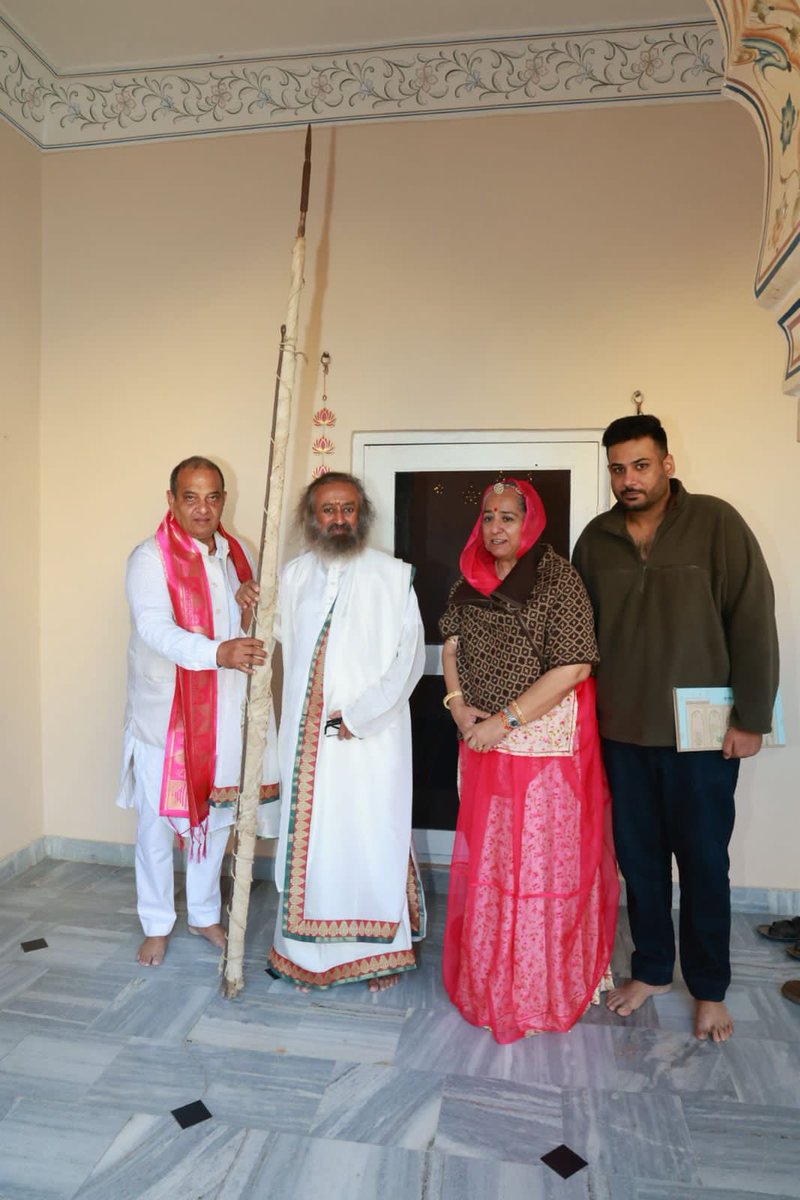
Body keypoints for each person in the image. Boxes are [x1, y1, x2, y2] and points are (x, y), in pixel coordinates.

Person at [572, 414, 779, 1043]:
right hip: (621, 731)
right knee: (639, 862)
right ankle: (654, 971)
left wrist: (752, 718)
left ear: (667, 463)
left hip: (704, 735)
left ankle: (710, 988)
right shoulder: (596, 539)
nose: (628, 479)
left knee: (704, 863)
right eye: (618, 469)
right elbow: (577, 638)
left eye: (641, 465)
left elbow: (752, 619)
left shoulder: (717, 523)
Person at [439, 478, 619, 1043]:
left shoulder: (557, 578)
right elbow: (451, 646)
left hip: (544, 751)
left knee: (540, 865)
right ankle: (492, 977)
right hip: (484, 744)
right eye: (489, 516)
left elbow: (575, 666)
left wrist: (504, 721)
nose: (496, 528)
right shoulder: (468, 577)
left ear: (530, 522)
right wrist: (458, 705)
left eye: (508, 517)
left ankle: (539, 987)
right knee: (493, 863)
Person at [117, 456, 279, 967]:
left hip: (225, 712)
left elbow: (247, 628)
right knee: (157, 825)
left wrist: (249, 606)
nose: (202, 508)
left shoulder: (238, 553)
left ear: (224, 500)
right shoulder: (150, 558)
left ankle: (205, 914)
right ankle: (156, 923)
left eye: (212, 497)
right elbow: (155, 628)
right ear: (172, 500)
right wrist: (217, 652)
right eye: (190, 497)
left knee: (218, 818)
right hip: (167, 717)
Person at [268, 472, 426, 991]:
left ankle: (377, 956)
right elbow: (274, 634)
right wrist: (252, 600)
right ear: (311, 518)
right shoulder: (293, 577)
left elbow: (408, 659)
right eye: (328, 510)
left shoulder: (392, 576)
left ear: (362, 515)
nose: (339, 519)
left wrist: (361, 717)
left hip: (370, 742)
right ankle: (306, 958)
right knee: (313, 843)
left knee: (370, 836)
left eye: (348, 509)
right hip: (307, 745)